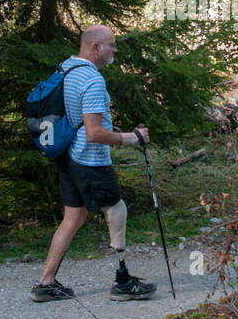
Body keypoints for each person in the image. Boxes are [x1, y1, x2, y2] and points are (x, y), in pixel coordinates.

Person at [32, 25, 157, 302]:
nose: (114, 50)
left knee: (74, 216)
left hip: (67, 156)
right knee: (116, 209)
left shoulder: (66, 68)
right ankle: (123, 283)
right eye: (111, 45)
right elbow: (94, 133)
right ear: (95, 47)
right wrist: (132, 138)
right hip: (89, 158)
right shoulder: (92, 80)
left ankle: (46, 282)